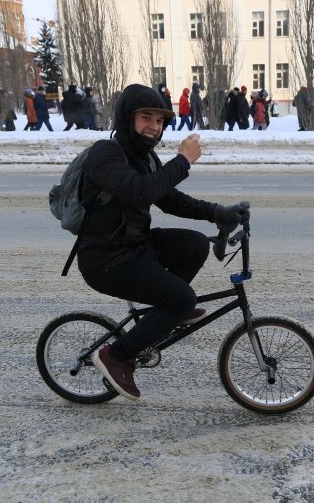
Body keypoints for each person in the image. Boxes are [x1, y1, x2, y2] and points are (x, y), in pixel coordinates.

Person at [76, 83, 249, 400]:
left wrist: (217, 212)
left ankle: (164, 311)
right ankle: (115, 356)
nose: (154, 127)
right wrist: (182, 161)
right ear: (127, 118)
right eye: (146, 117)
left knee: (195, 245)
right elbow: (138, 191)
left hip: (135, 246)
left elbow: (169, 200)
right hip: (105, 260)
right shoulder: (105, 154)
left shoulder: (145, 159)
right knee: (183, 299)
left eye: (160, 120)